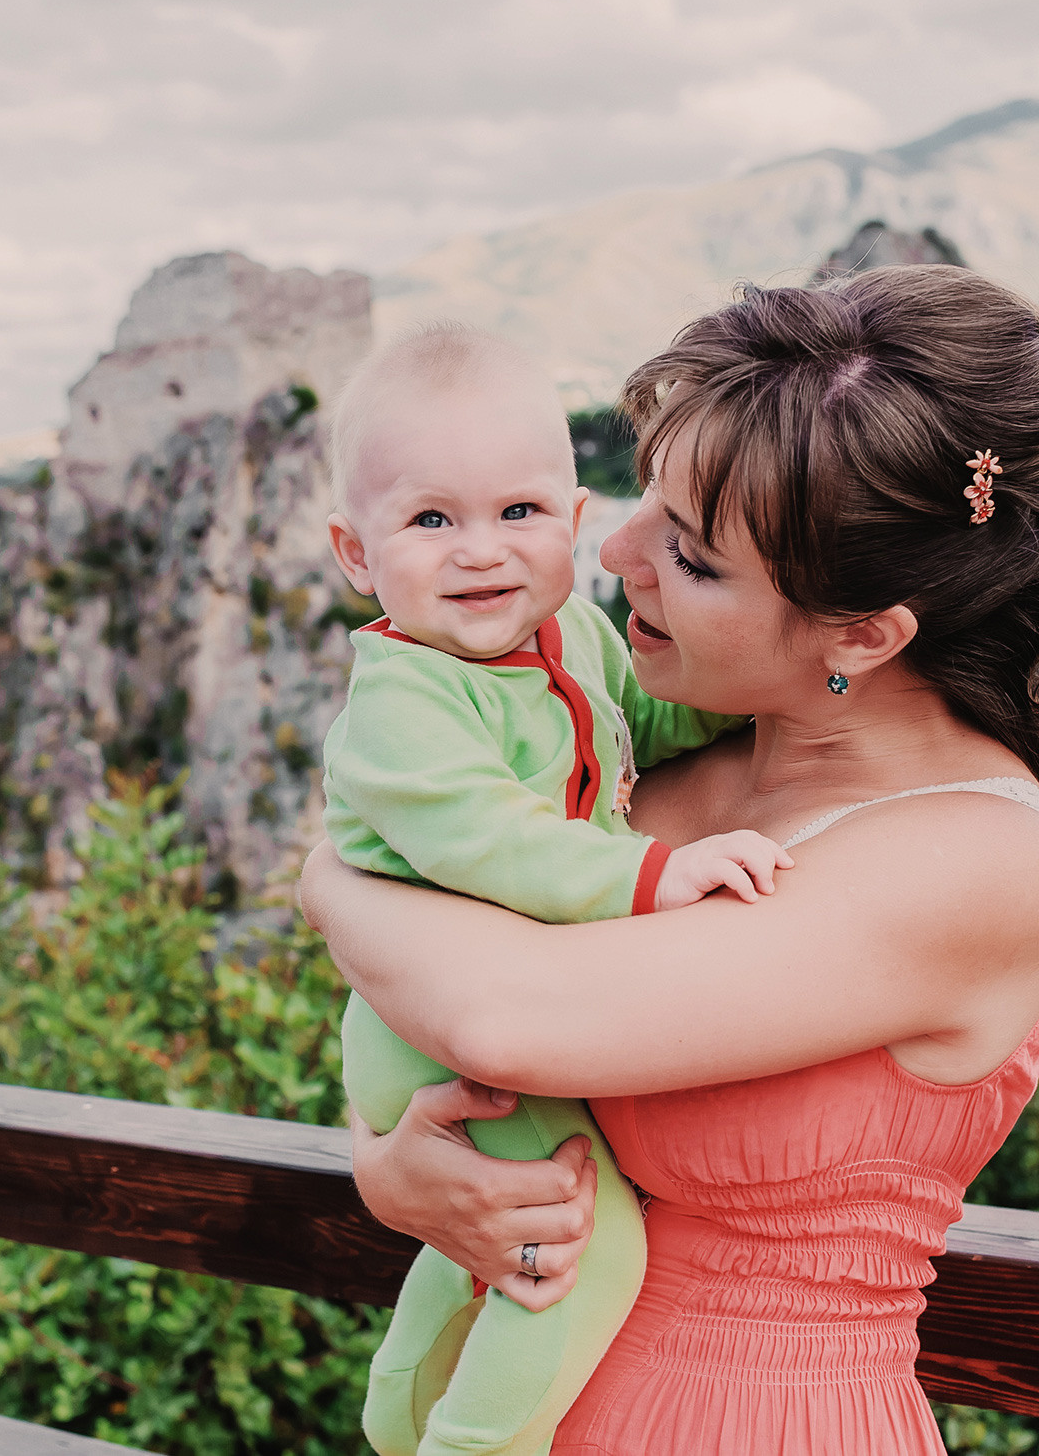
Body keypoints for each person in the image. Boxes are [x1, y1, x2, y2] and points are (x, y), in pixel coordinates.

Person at [302, 264, 1039, 1454]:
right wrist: (396, 1167)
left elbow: (500, 1013)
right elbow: (456, 1020)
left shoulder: (980, 859)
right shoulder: (672, 775)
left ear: (862, 631)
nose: (619, 555)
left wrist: (328, 877)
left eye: (693, 558)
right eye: (644, 499)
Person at [321, 323, 792, 1456]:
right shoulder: (404, 698)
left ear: (574, 523)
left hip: (488, 1005)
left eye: (518, 513)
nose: (480, 551)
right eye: (431, 519)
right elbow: (498, 840)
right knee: (588, 1247)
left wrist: (773, 696)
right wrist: (654, 871)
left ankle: (400, 1403)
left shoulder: (572, 635)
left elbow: (654, 725)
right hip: (426, 1027)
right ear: (354, 553)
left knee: (486, 1229)